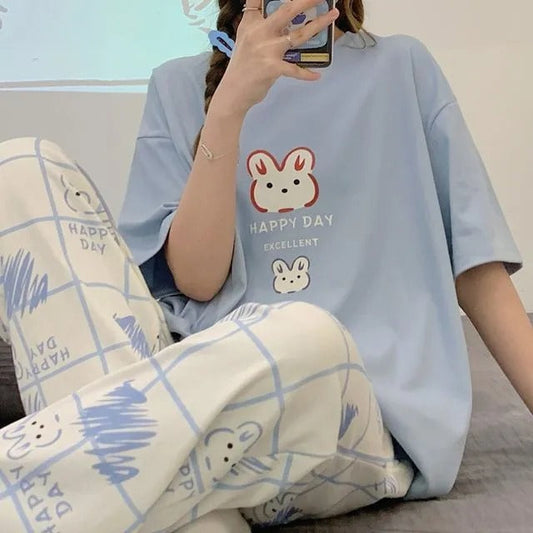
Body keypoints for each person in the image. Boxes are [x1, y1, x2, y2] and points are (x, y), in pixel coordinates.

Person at [0, 0, 531, 531]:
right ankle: (196, 517)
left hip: (344, 407)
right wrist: (228, 109)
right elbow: (197, 281)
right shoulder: (176, 85)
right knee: (20, 170)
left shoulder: (402, 69)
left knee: (306, 333)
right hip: (207, 400)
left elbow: (478, 273)